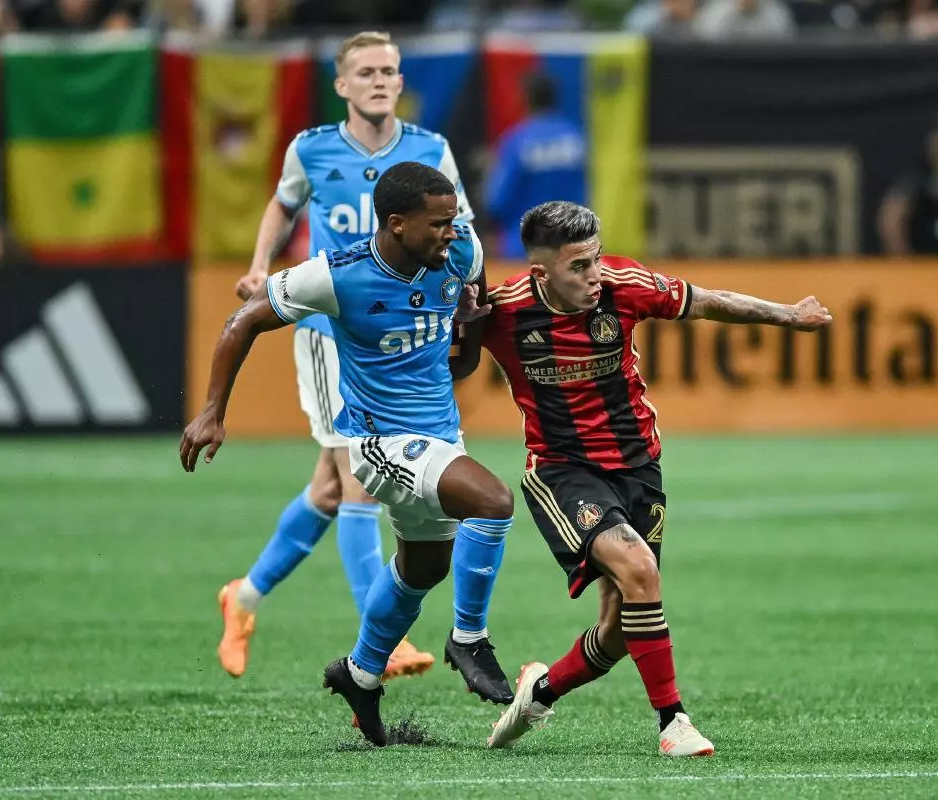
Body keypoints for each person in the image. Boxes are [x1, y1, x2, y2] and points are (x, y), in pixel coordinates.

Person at [461, 201, 832, 756]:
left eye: (595, 258)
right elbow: (444, 360)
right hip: (562, 469)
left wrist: (786, 314)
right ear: (541, 273)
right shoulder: (503, 309)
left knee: (617, 626)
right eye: (578, 267)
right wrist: (454, 327)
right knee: (640, 570)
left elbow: (709, 301)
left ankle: (540, 692)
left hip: (639, 465)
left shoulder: (624, 283)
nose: (595, 275)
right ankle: (673, 723)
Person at [219, 31, 512, 705]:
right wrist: (262, 265)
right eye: (367, 72)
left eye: (390, 70)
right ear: (343, 84)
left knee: (330, 485)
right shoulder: (312, 147)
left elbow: (461, 235)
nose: (381, 81)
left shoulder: (429, 151)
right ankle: (382, 646)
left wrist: (466, 306)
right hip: (331, 326)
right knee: (353, 480)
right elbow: (283, 203)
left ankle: (247, 593)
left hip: (406, 329)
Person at [181, 162, 516, 746]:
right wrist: (213, 409)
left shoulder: (461, 253)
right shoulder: (336, 276)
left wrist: (470, 329)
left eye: (453, 221)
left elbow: (459, 364)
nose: (451, 231)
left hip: (439, 434)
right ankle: (469, 637)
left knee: (425, 567)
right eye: (438, 223)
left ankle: (360, 674)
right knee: (493, 501)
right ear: (396, 223)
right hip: (377, 441)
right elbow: (243, 320)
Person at [483, 71, 587, 259]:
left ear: (527, 99)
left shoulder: (518, 140)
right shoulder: (576, 138)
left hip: (523, 248)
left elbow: (497, 199)